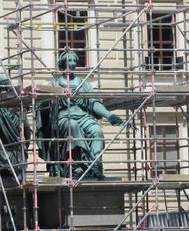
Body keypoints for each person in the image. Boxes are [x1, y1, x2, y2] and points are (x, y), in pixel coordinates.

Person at [36, 51, 126, 180]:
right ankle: (75, 166)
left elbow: (94, 103)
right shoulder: (54, 84)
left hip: (82, 116)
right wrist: (58, 93)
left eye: (74, 61)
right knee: (72, 126)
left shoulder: (83, 83)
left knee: (97, 131)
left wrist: (109, 116)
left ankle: (95, 166)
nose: (72, 64)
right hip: (62, 117)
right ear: (63, 63)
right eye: (69, 61)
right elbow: (42, 104)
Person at [0, 75, 31, 180]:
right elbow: (27, 130)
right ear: (9, 86)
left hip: (0, 154)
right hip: (18, 154)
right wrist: (24, 146)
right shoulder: (18, 106)